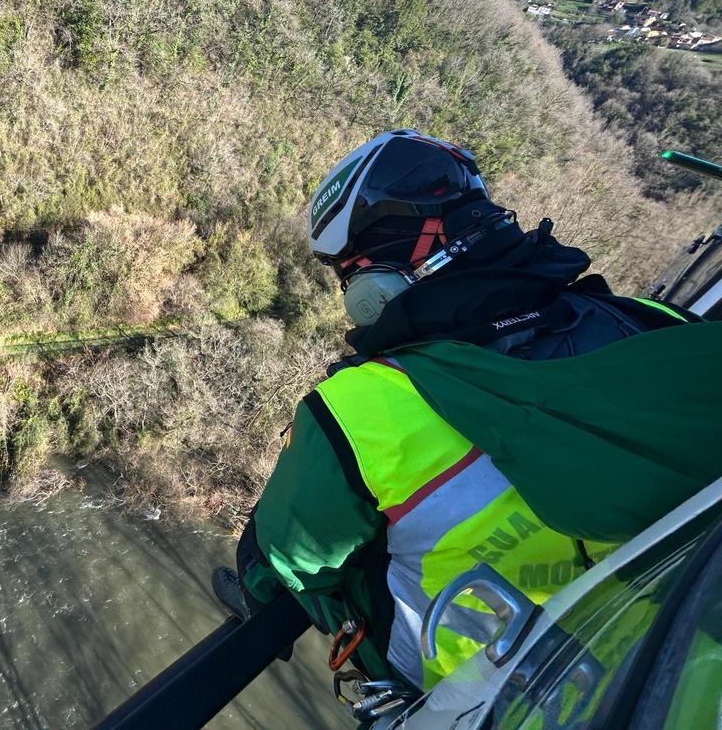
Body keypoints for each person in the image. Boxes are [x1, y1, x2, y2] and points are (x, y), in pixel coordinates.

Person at [215, 128, 705, 696]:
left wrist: (258, 588)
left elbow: (285, 557)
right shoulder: (647, 321)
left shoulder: (362, 406)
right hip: (682, 666)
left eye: (352, 274)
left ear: (386, 277)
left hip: (472, 698)